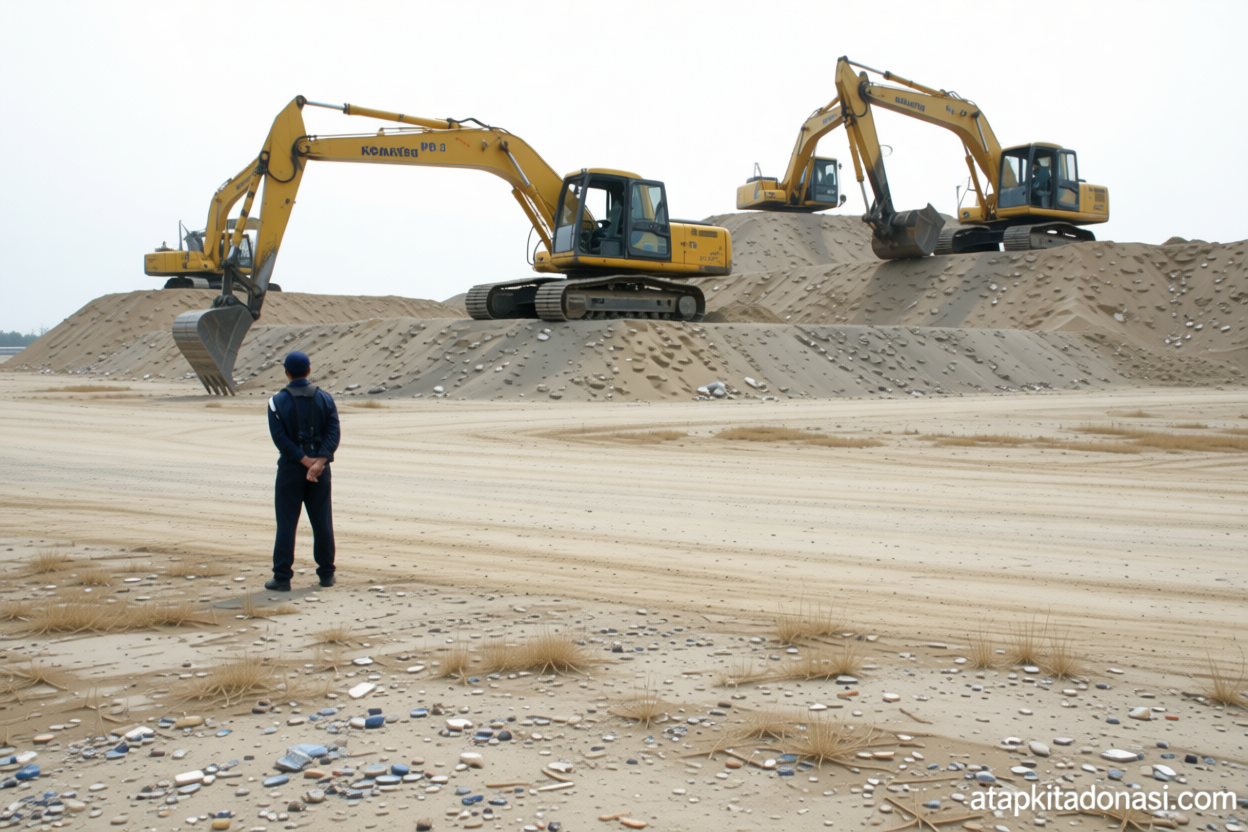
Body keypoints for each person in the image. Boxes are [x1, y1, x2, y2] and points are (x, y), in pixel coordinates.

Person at [265, 350, 340, 591]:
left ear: (286, 372)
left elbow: (281, 440)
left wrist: (304, 461)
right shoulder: (326, 398)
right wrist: (318, 463)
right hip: (320, 470)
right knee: (322, 521)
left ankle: (282, 577)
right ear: (309, 370)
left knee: (287, 522)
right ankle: (326, 574)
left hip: (290, 469)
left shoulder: (276, 401)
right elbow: (333, 433)